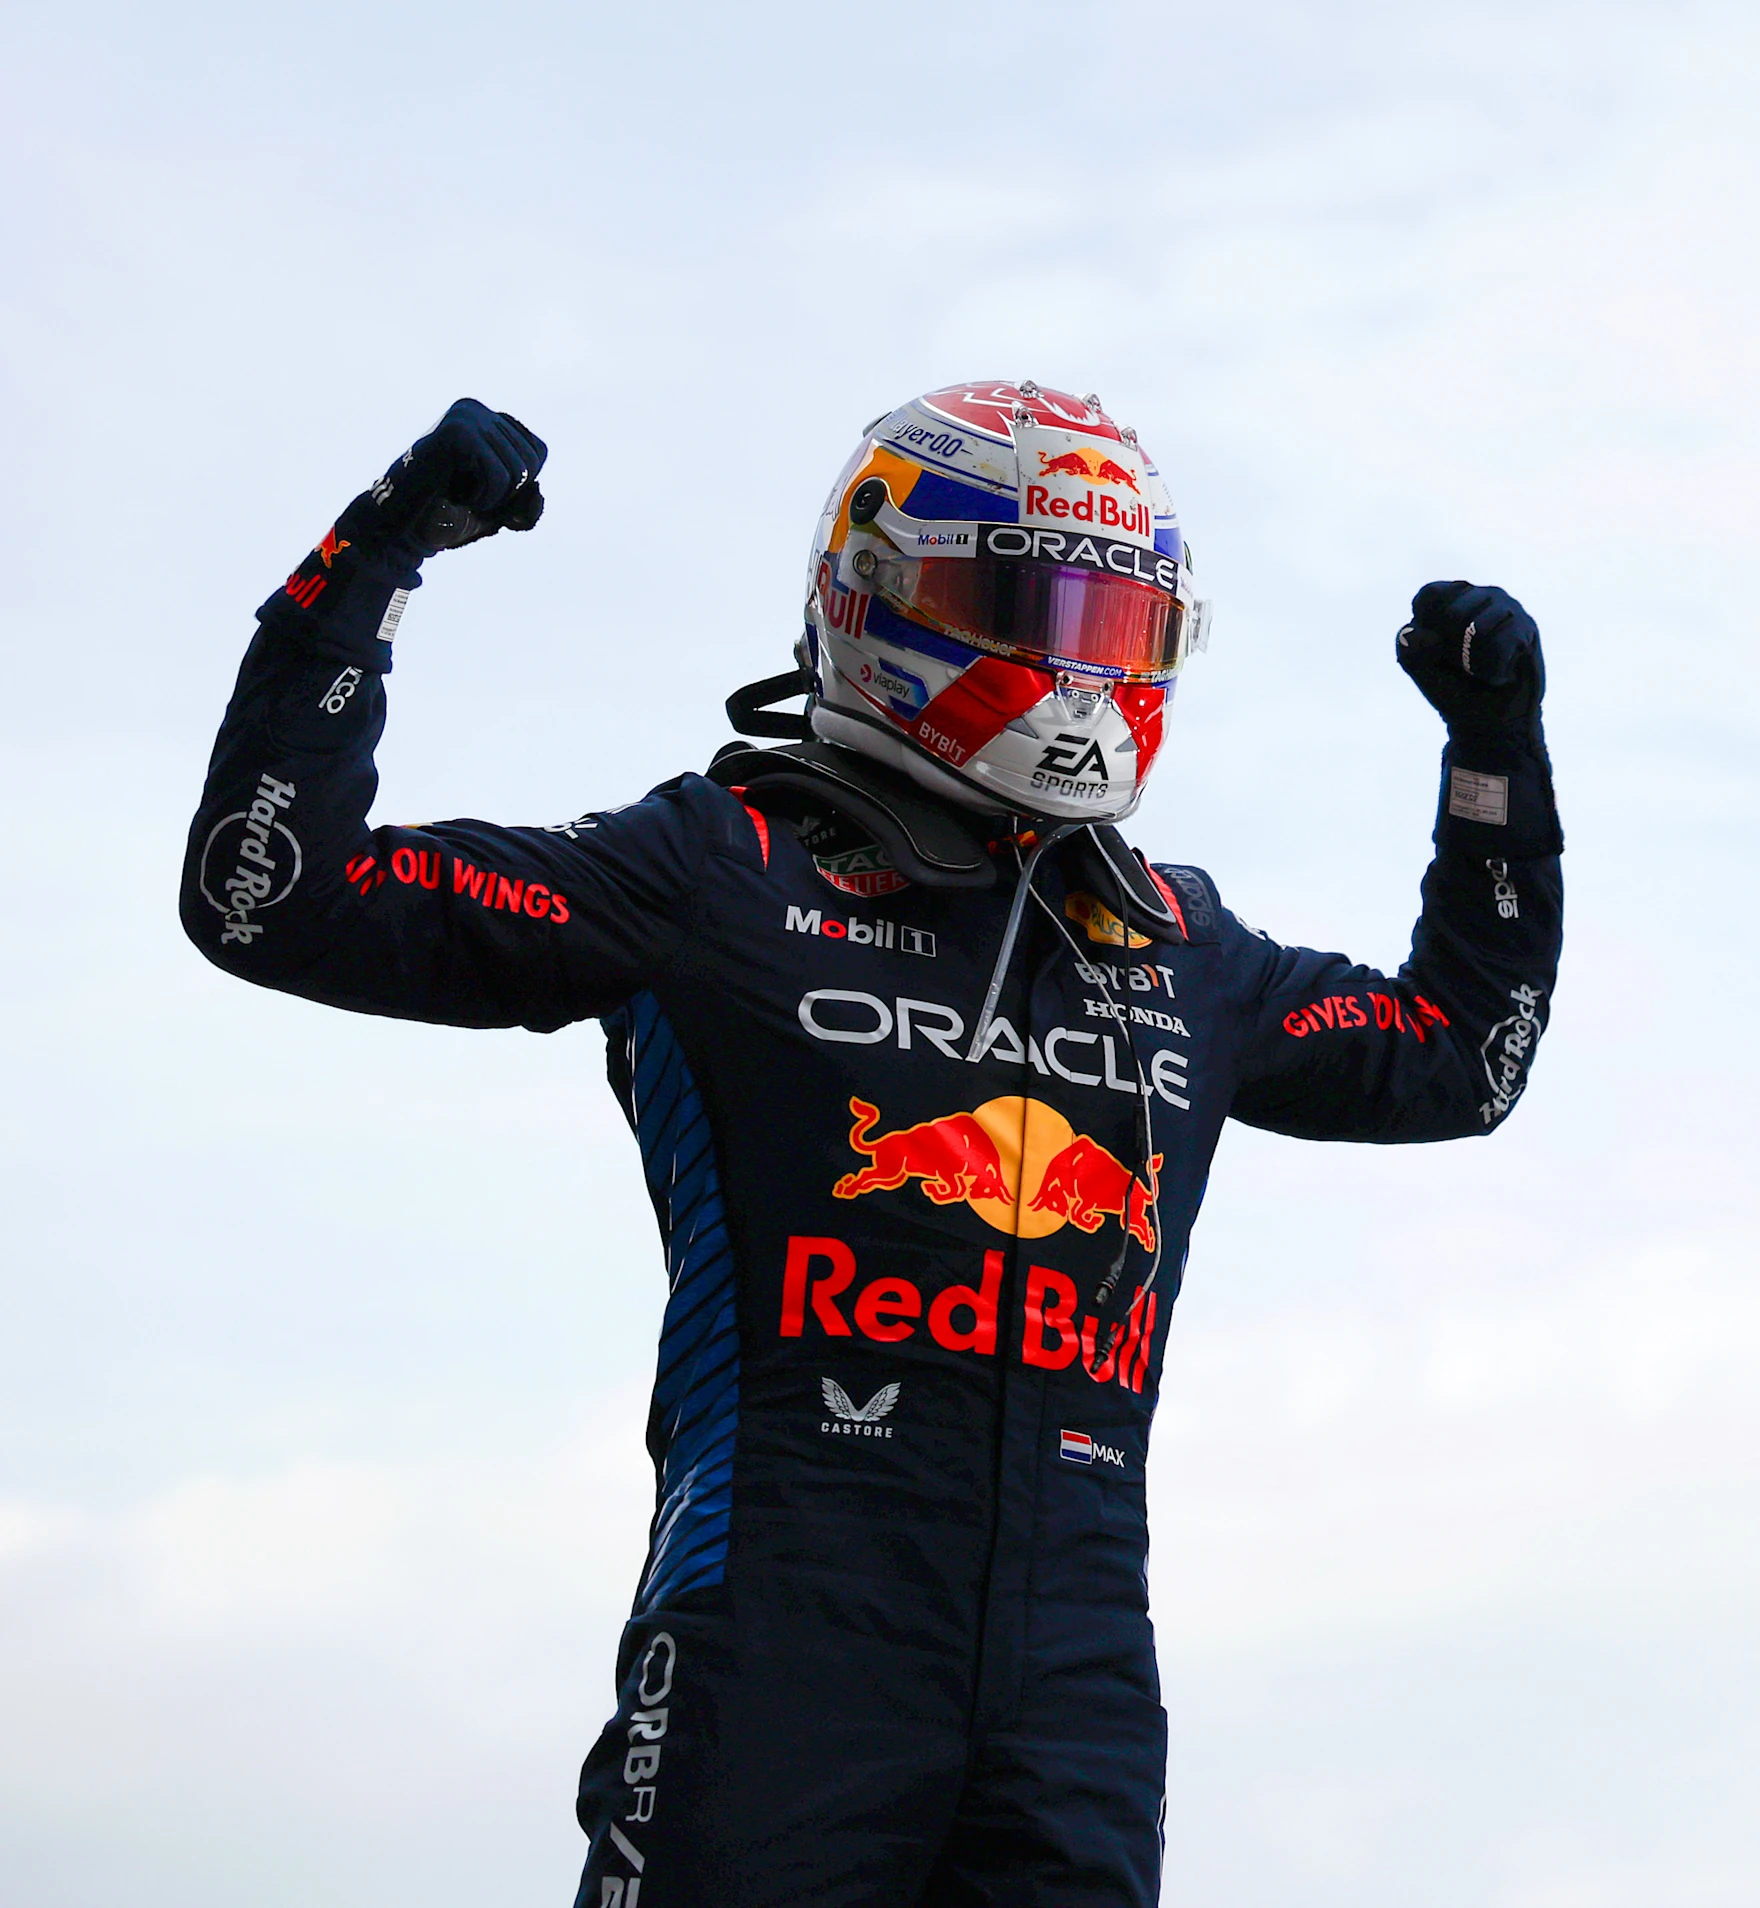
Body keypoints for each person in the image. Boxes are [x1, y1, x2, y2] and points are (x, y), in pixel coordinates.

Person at [180, 384, 1562, 1906]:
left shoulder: (1179, 943)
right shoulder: (715, 866)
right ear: (883, 591)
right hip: (777, 1644)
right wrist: (380, 553)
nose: (1078, 662)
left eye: (1120, 628)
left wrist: (1494, 760)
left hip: (1079, 1679)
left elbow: (1461, 1060)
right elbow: (271, 898)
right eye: (1031, 604)